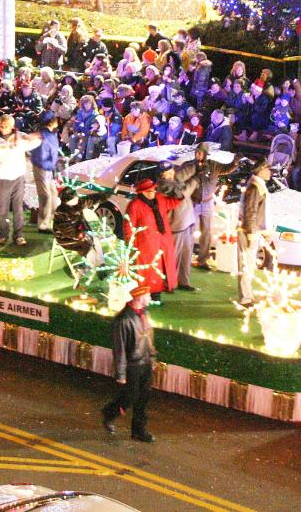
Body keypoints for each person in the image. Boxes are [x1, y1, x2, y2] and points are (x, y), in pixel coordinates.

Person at [102, 285, 156, 443]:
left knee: (144, 398)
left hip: (145, 362)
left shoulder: (144, 313)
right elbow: (119, 349)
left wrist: (151, 357)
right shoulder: (124, 320)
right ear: (139, 298)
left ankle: (139, 431)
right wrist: (121, 374)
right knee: (129, 397)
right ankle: (109, 413)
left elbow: (148, 336)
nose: (150, 299)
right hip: (132, 366)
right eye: (148, 296)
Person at [0, 114, 42, 246]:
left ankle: (18, 235)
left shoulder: (19, 137)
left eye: (6, 126)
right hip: (2, 178)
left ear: (12, 126)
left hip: (18, 177)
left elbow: (34, 142)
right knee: (1, 208)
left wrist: (40, 136)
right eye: (1, 126)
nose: (3, 129)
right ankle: (3, 234)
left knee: (18, 207)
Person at [124, 178, 179, 303]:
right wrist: (131, 243)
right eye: (150, 191)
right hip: (145, 244)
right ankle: (150, 293)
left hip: (162, 241)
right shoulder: (135, 205)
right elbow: (128, 225)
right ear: (142, 192)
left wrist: (177, 191)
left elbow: (173, 202)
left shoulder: (159, 199)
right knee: (150, 270)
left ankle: (160, 290)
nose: (153, 192)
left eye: (153, 190)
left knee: (162, 267)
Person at [158, 162, 198, 290]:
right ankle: (168, 283)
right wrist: (195, 180)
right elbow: (182, 193)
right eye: (167, 173)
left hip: (187, 222)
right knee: (173, 257)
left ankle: (183, 282)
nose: (170, 175)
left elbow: (186, 172)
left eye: (171, 171)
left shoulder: (175, 178)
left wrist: (199, 164)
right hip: (176, 226)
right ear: (161, 175)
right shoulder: (164, 185)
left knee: (186, 256)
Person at [236, 160, 271, 308]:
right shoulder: (255, 187)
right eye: (268, 169)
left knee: (249, 265)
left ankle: (248, 294)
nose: (270, 172)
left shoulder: (257, 185)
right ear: (261, 170)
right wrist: (251, 232)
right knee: (247, 264)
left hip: (252, 229)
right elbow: (251, 211)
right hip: (249, 230)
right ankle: (245, 297)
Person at [30, 112, 61, 234]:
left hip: (49, 169)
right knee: (46, 196)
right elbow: (40, 156)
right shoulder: (42, 135)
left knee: (53, 195)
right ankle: (42, 224)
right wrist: (50, 166)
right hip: (42, 168)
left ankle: (50, 220)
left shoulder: (51, 135)